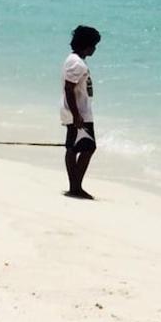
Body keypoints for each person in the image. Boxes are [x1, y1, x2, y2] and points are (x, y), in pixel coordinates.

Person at [61, 25, 101, 199]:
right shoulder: (77, 63)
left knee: (74, 147)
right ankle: (75, 187)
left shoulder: (73, 60)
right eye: (93, 45)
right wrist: (77, 115)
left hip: (75, 112)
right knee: (87, 148)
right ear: (86, 45)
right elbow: (69, 89)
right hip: (79, 114)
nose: (95, 49)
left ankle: (74, 186)